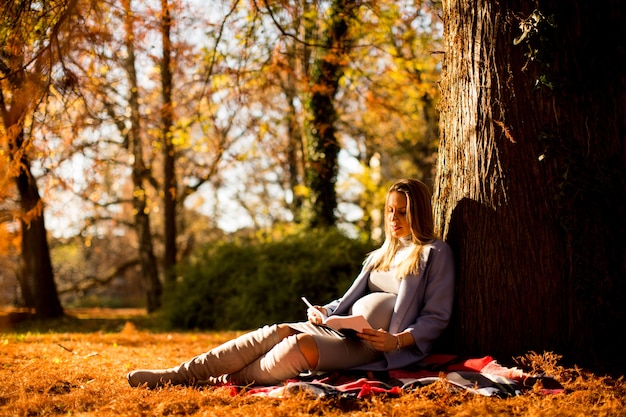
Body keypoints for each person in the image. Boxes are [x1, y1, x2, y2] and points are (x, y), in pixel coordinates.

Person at [127, 178, 455, 389]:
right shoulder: (380, 254)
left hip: (376, 348)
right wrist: (323, 312)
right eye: (390, 211)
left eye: (403, 212)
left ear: (419, 212)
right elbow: (348, 299)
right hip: (341, 329)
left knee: (296, 348)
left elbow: (436, 317)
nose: (394, 219)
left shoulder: (434, 253)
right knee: (277, 330)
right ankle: (178, 374)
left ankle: (211, 380)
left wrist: (395, 341)